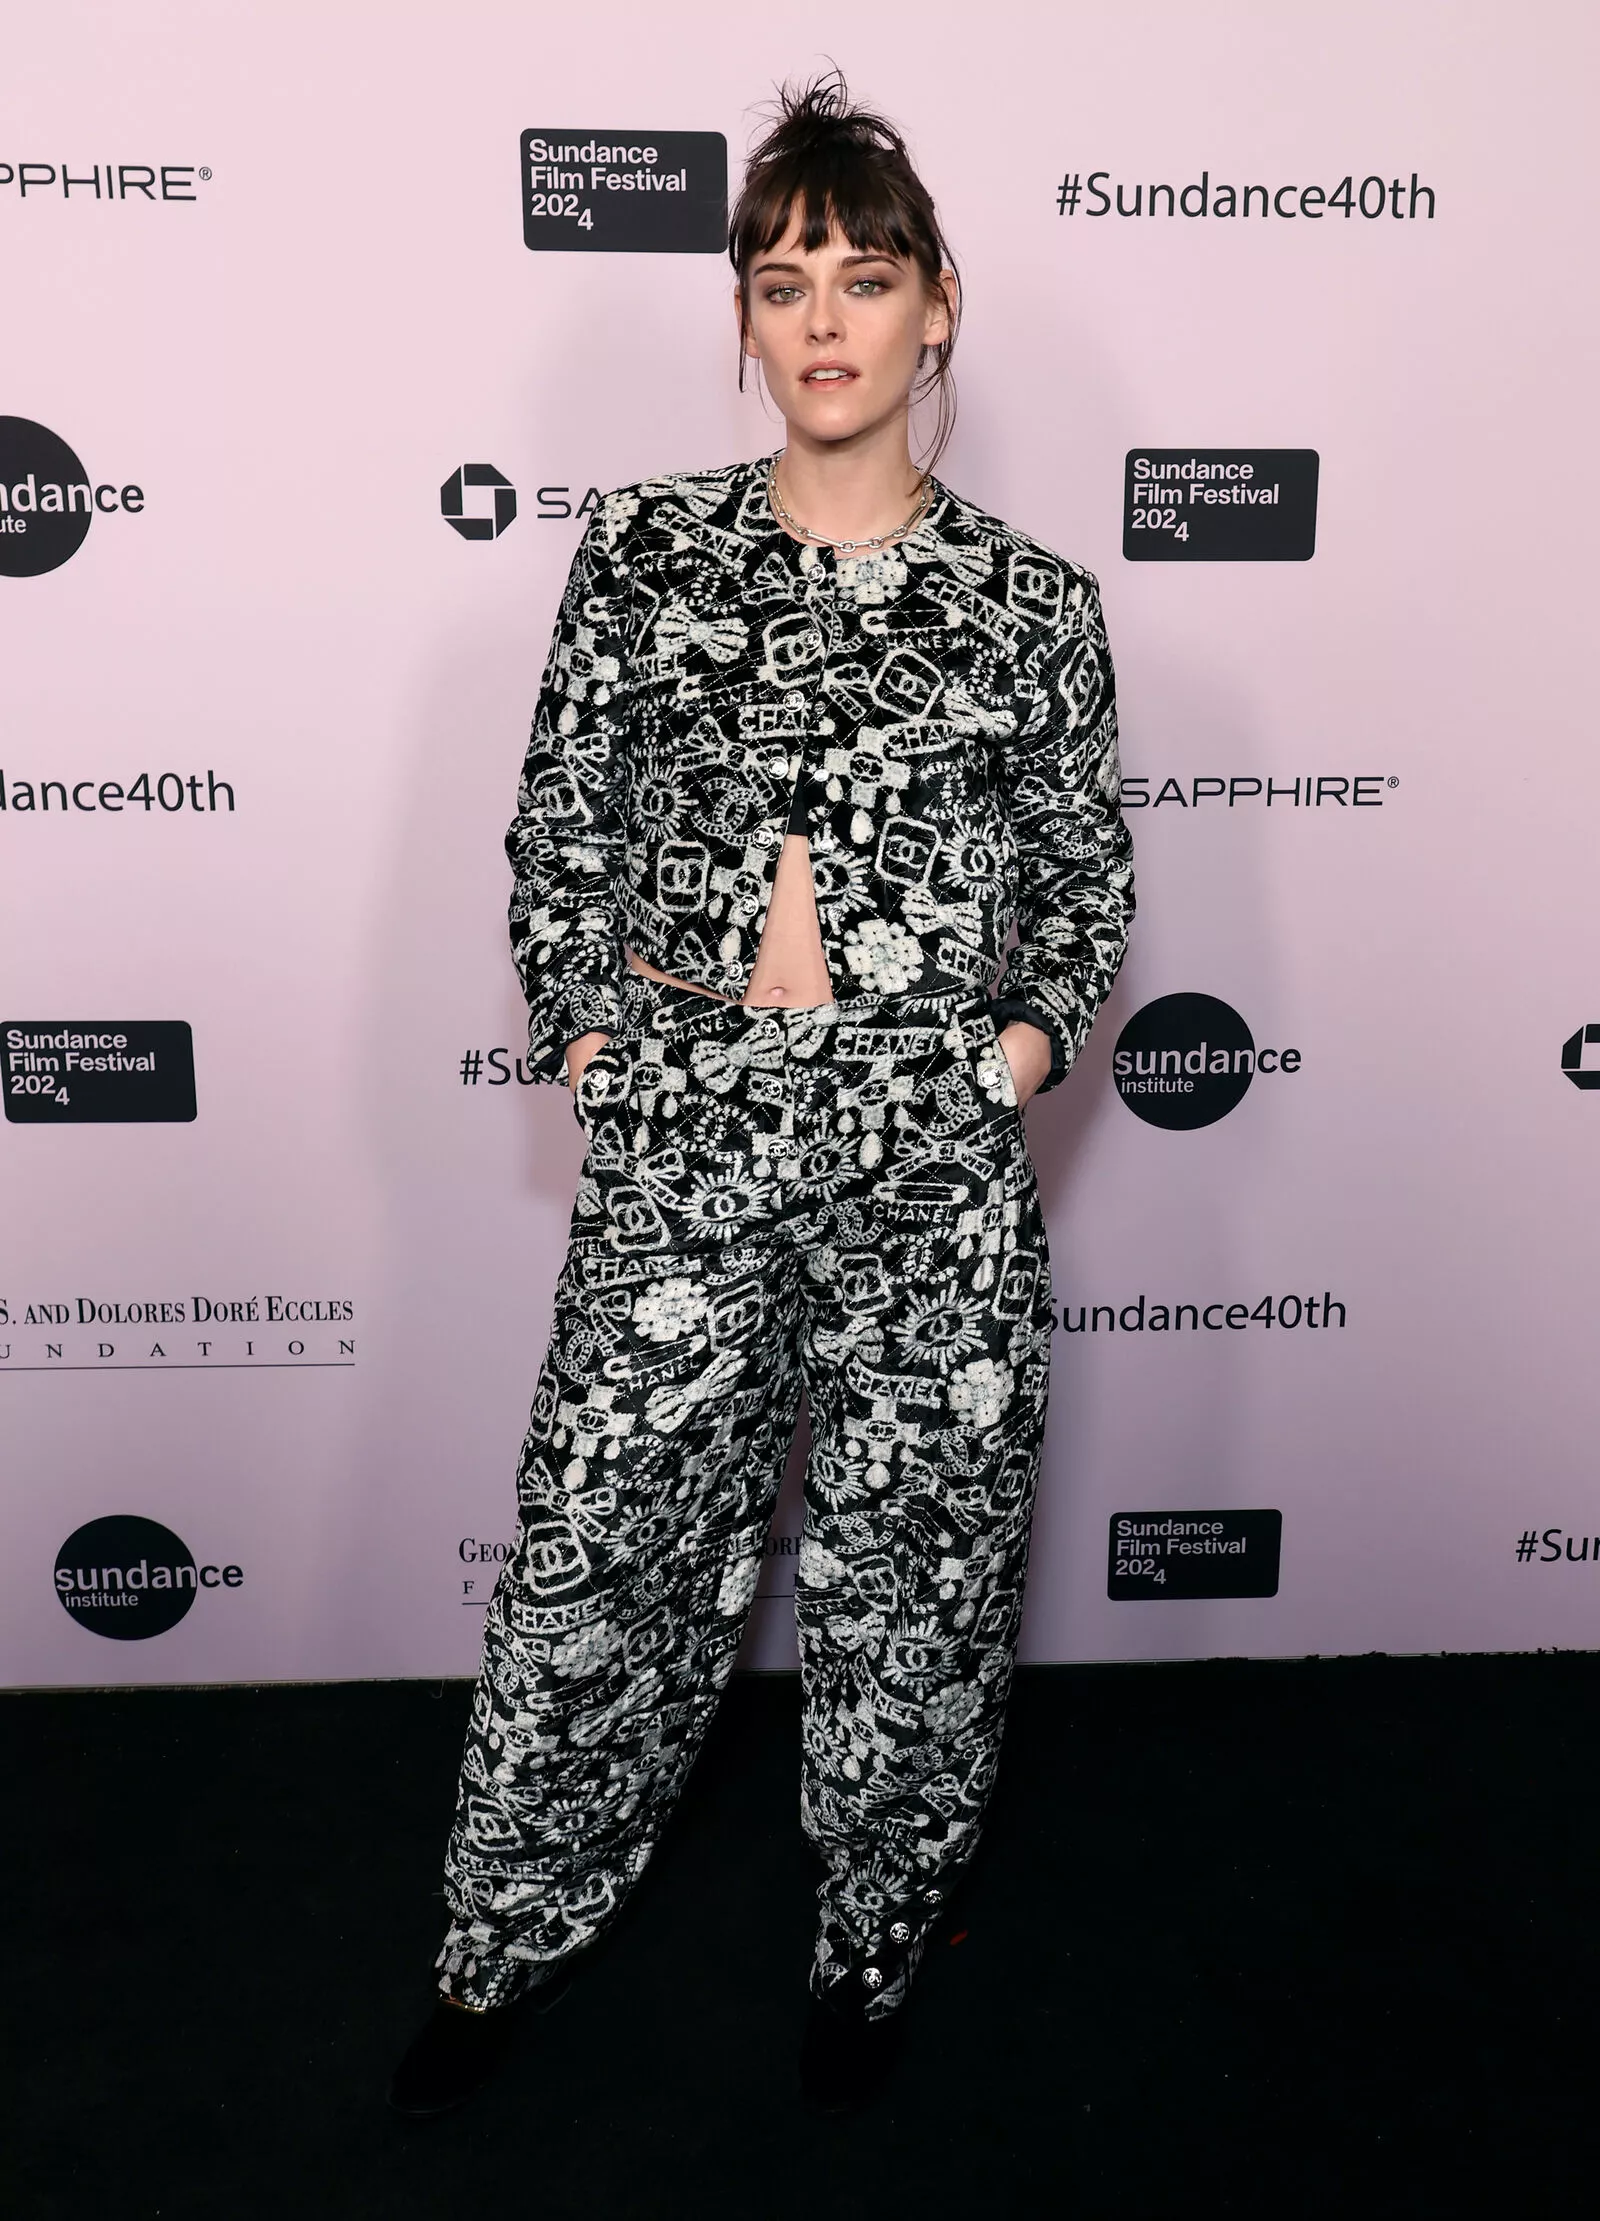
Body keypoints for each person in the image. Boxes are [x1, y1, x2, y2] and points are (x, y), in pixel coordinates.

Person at [389, 71, 1133, 2119]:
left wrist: (1003, 1059)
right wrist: (596, 1046)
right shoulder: (641, 555)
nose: (823, 319)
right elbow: (559, 829)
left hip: (928, 1167)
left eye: (864, 277)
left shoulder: (1033, 605)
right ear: (742, 316)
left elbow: (1082, 894)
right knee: (595, 1565)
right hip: (688, 1142)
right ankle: (502, 1943)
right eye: (783, 280)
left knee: (916, 1599)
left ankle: (871, 1951)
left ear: (936, 307)